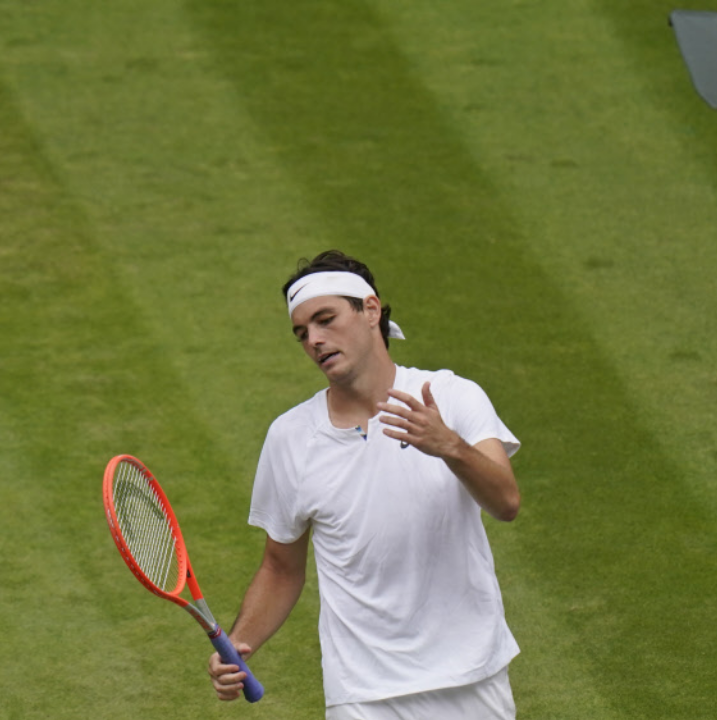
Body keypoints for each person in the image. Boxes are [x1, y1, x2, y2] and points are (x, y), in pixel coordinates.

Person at [207, 250, 522, 719]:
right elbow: (280, 567)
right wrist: (240, 643)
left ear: (370, 309)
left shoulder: (452, 398)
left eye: (325, 319)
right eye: (301, 332)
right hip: (362, 694)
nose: (314, 339)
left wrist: (451, 447)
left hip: (471, 676)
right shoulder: (291, 437)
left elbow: (506, 502)